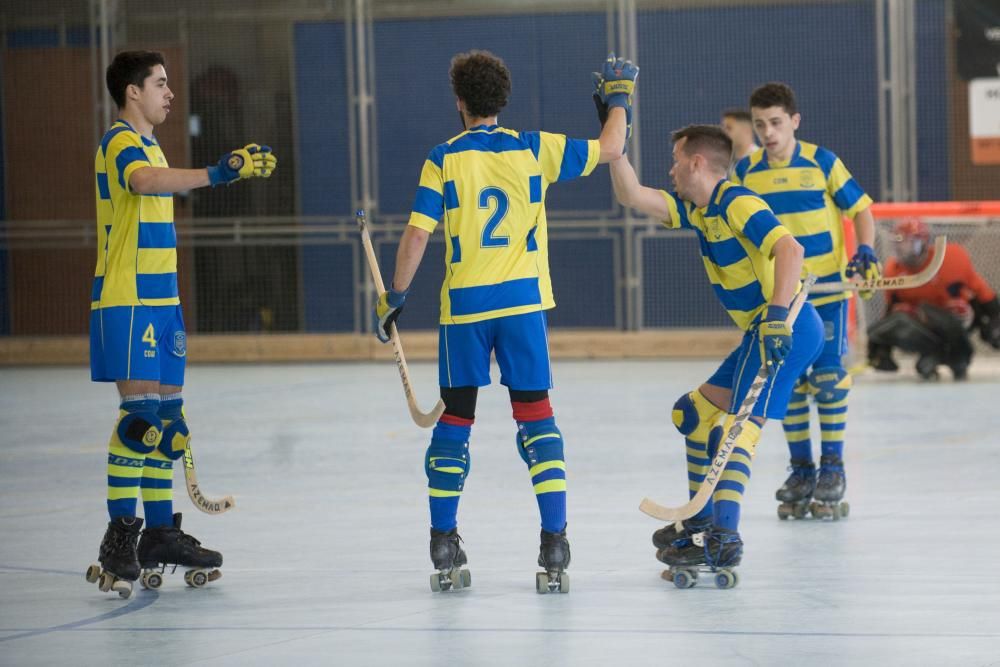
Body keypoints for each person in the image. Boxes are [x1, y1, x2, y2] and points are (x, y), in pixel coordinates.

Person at [371, 50, 634, 593]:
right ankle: (554, 541)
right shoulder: (534, 148)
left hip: (465, 309)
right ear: (503, 100)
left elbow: (418, 235)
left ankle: (443, 540)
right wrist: (618, 100)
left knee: (455, 423)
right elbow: (613, 147)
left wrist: (394, 296)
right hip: (522, 306)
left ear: (460, 102)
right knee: (537, 419)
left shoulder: (441, 159)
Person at [88, 50, 276, 596]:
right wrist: (218, 172)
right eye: (161, 84)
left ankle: (162, 534)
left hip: (161, 301)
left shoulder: (152, 141)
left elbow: (157, 174)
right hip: (128, 301)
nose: (170, 93)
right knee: (138, 421)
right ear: (132, 93)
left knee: (168, 424)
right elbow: (145, 182)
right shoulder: (120, 141)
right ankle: (121, 539)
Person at [606, 123, 823, 578]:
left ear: (696, 162)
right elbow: (631, 195)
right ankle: (701, 519)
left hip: (790, 327)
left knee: (737, 430)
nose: (670, 171)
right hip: (764, 331)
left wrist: (778, 317)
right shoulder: (699, 210)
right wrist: (615, 134)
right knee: (693, 413)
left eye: (675, 161)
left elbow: (790, 248)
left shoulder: (737, 201)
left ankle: (724, 539)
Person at [732, 82, 879, 520]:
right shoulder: (745, 172)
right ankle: (801, 470)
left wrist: (865, 251)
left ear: (794, 121)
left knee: (829, 379)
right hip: (782, 298)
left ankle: (833, 468)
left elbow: (862, 210)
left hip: (829, 291)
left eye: (776, 123)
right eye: (760, 124)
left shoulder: (822, 162)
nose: (768, 132)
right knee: (791, 382)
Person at [868, 218, 1000, 380]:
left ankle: (958, 355)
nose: (900, 248)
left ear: (921, 242)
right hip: (925, 330)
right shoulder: (892, 270)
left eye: (905, 242)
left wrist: (994, 323)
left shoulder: (953, 257)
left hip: (958, 322)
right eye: (897, 243)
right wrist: (879, 348)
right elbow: (890, 312)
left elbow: (985, 295)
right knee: (893, 322)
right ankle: (935, 354)